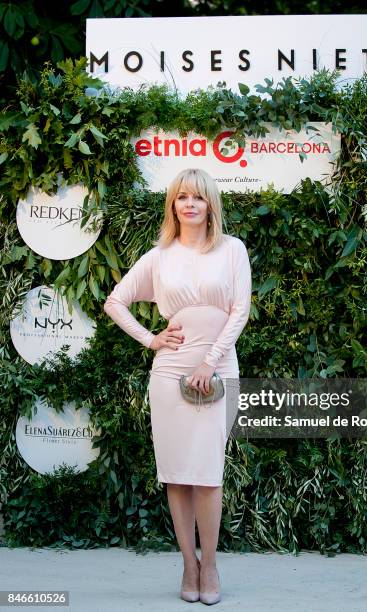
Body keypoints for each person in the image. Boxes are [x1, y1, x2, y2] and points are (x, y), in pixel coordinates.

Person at [103, 168, 252, 605]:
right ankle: (189, 564)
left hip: (219, 370)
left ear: (210, 206)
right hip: (170, 375)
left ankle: (212, 564)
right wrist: (151, 339)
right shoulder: (159, 256)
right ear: (173, 205)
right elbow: (116, 301)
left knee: (207, 475)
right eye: (181, 197)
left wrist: (209, 362)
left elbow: (239, 310)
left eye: (198, 197)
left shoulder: (232, 250)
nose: (189, 204)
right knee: (177, 477)